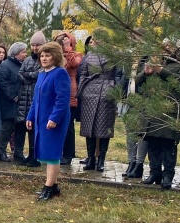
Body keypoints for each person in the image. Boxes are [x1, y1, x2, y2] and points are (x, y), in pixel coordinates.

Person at [136, 47, 180, 189]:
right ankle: (155, 173)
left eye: (169, 47)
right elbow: (137, 84)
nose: (165, 50)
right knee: (153, 145)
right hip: (151, 111)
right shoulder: (154, 61)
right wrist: (145, 74)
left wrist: (161, 71)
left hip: (170, 111)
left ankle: (168, 175)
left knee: (168, 146)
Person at [26, 42, 71, 200]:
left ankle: (48, 187)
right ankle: (54, 186)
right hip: (41, 118)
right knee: (46, 151)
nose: (44, 58)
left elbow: (63, 99)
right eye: (42, 55)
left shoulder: (60, 73)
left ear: (55, 56)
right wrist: (30, 116)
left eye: (48, 55)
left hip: (54, 120)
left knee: (52, 153)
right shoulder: (42, 73)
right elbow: (35, 100)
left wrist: (54, 118)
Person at [78, 29, 124, 172]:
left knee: (104, 127)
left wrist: (115, 91)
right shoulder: (89, 56)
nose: (92, 42)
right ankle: (91, 158)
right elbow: (83, 73)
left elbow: (118, 75)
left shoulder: (115, 55)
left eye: (95, 39)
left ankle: (101, 159)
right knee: (88, 126)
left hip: (106, 92)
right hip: (90, 92)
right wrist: (83, 89)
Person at [15, 31, 45, 167]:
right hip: (24, 100)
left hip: (35, 97)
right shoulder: (27, 60)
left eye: (37, 45)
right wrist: (29, 76)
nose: (34, 48)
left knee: (34, 129)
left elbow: (39, 74)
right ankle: (26, 154)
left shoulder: (44, 59)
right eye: (32, 45)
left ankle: (35, 156)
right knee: (25, 127)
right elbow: (20, 74)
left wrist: (28, 76)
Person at [0, 42, 28, 161]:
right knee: (7, 128)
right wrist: (14, 96)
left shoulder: (23, 65)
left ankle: (18, 152)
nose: (25, 54)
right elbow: (2, 83)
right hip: (9, 102)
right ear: (16, 53)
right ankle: (1, 152)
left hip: (21, 102)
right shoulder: (5, 65)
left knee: (21, 128)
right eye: (23, 52)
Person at [55, 32, 83, 165]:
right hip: (55, 92)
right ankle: (56, 152)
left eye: (64, 44)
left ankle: (68, 154)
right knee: (55, 124)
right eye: (60, 45)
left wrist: (68, 49)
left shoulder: (76, 55)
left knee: (68, 126)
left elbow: (73, 64)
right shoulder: (55, 56)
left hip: (69, 94)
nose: (61, 47)